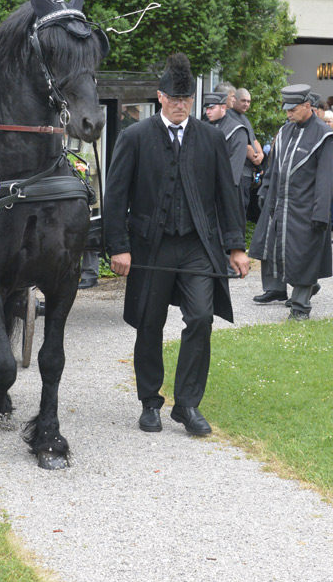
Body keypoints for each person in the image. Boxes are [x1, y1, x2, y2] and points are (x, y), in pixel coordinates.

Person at [103, 54, 249, 437]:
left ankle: (186, 404)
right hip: (151, 246)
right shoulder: (134, 136)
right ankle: (150, 402)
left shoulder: (212, 138)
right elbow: (115, 196)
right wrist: (118, 246)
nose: (180, 103)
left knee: (201, 317)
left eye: (186, 98)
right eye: (174, 97)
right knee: (148, 323)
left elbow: (227, 196)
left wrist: (236, 246)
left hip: (198, 244)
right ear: (160, 97)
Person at [250, 83, 333, 320]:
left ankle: (300, 306)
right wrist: (266, 194)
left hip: (306, 208)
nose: (288, 113)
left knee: (304, 254)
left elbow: (326, 178)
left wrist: (321, 213)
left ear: (307, 106)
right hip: (282, 205)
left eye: (293, 109)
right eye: (286, 109)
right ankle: (286, 289)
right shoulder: (285, 132)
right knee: (275, 249)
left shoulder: (324, 135)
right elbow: (275, 169)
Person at [203, 91, 249, 203]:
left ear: (223, 107)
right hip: (205, 190)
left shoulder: (237, 130)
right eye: (207, 108)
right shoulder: (203, 127)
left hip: (227, 192)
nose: (208, 112)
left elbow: (234, 170)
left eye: (212, 108)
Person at [232, 87, 264, 219]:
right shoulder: (231, 117)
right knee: (239, 210)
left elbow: (254, 140)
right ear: (235, 100)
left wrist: (261, 154)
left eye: (249, 101)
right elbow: (245, 145)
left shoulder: (244, 118)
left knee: (244, 208)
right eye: (243, 100)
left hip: (249, 172)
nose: (246, 104)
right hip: (240, 172)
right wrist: (256, 160)